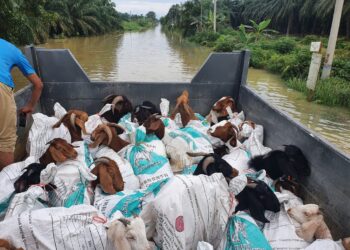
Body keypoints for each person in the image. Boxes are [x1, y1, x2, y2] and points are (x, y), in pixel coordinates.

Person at [0, 38, 43, 170]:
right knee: (5, 143)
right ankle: (4, 186)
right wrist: (29, 106)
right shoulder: (12, 49)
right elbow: (38, 85)